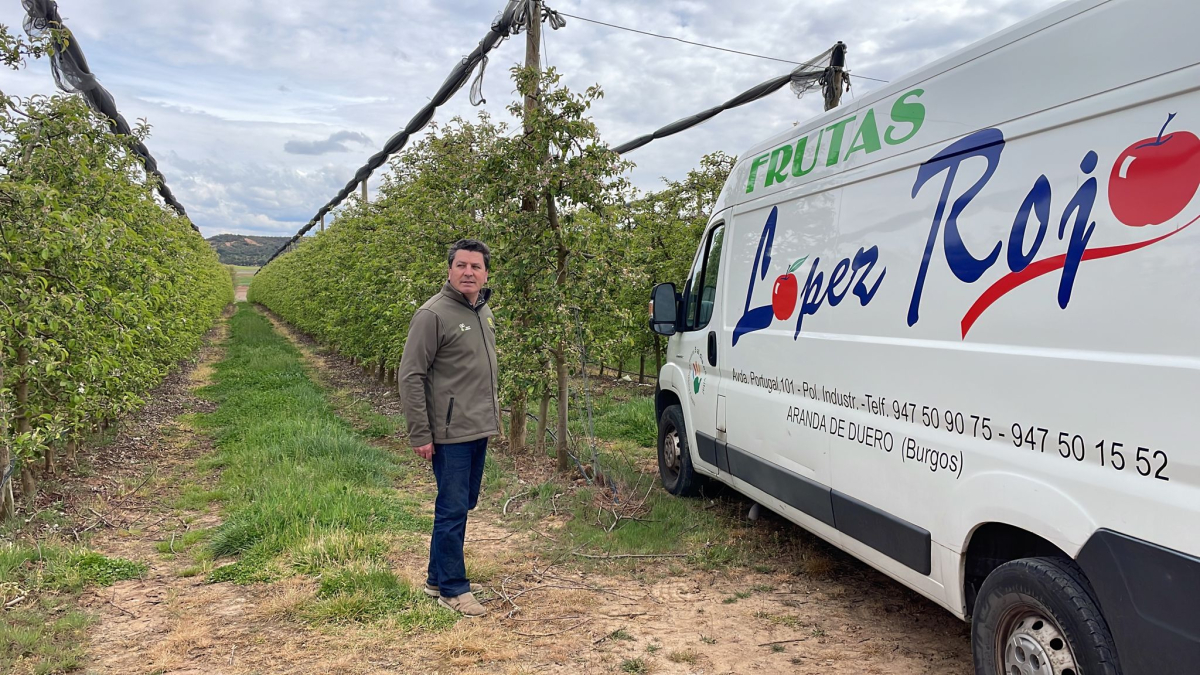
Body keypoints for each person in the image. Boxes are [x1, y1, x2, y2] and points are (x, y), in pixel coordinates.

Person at [398, 239, 499, 618]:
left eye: (476, 266)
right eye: (461, 265)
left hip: (478, 426)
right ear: (450, 270)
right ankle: (454, 591)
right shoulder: (433, 314)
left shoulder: (484, 311)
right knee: (453, 508)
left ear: (486, 272)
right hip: (450, 430)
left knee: (461, 504)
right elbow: (410, 376)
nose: (468, 272)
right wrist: (420, 433)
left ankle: (435, 580)